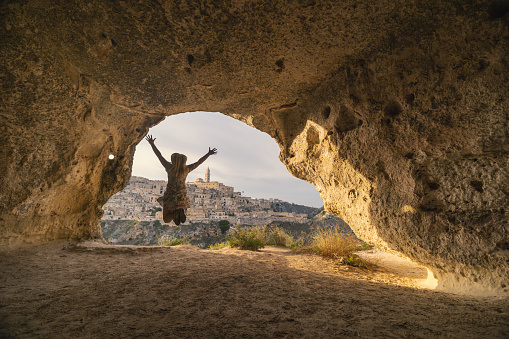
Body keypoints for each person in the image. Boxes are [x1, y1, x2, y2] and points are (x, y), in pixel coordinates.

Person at [145, 134, 217, 225]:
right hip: (181, 196)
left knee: (166, 220)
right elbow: (199, 162)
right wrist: (208, 154)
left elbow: (159, 155)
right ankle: (177, 212)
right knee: (171, 219)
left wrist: (152, 144)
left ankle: (176, 213)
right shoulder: (186, 169)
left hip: (170, 196)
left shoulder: (169, 167)